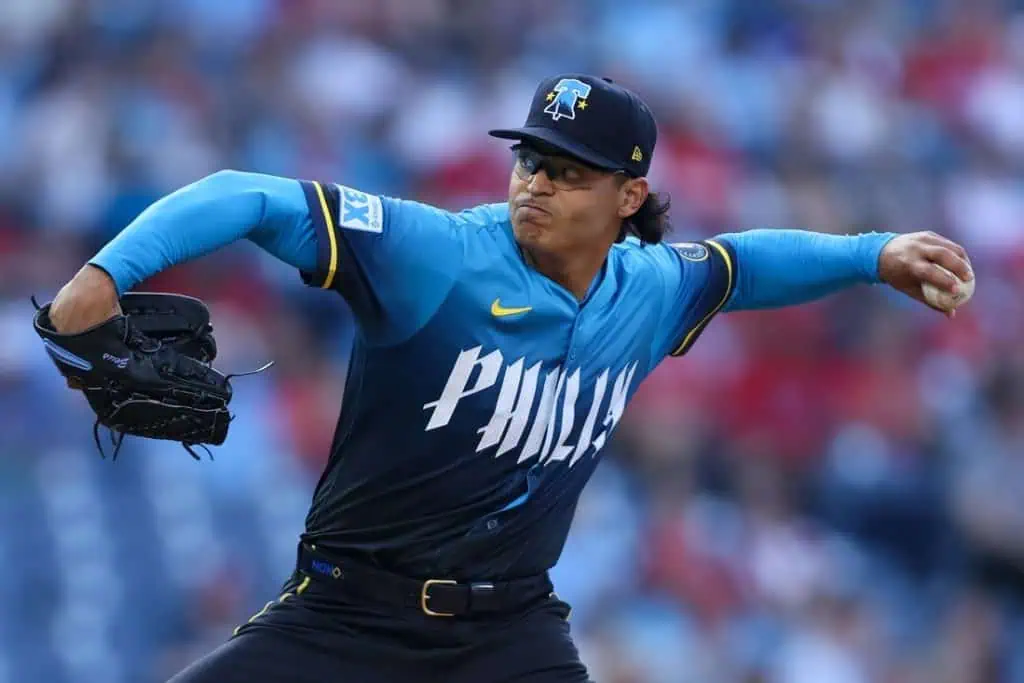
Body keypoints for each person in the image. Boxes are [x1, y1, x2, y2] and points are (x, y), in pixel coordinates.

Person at [47, 74, 973, 683]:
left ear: (628, 197)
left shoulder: (648, 291)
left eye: (569, 172)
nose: (533, 183)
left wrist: (873, 252)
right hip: (343, 616)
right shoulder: (435, 256)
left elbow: (742, 265)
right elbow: (246, 195)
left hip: (508, 638)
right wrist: (101, 278)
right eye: (530, 158)